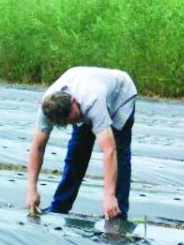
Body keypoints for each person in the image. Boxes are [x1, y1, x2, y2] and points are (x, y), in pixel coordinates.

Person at [25, 66, 138, 219]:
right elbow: (37, 148)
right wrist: (32, 188)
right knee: (76, 154)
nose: (75, 122)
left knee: (120, 154)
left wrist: (108, 195)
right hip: (87, 93)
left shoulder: (92, 101)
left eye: (75, 118)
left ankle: (117, 212)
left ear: (73, 101)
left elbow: (109, 150)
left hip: (121, 96)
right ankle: (60, 207)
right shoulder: (47, 110)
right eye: (70, 122)